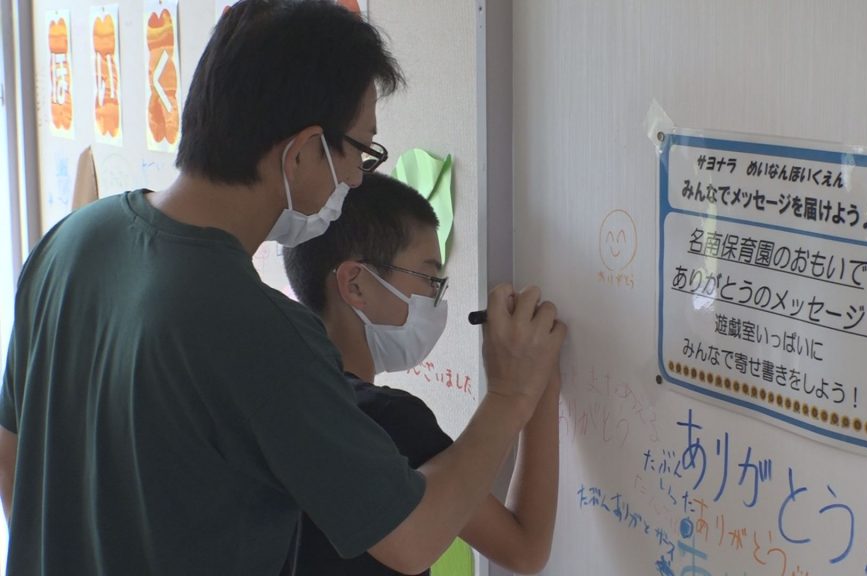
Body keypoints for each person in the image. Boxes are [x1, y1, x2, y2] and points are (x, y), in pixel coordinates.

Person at [0, 1, 565, 575]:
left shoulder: (71, 242)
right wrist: (510, 395)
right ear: (303, 151)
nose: (355, 179)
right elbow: (412, 539)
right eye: (360, 152)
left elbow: (9, 453)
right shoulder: (255, 327)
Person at [283, 174, 559, 575]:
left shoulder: (282, 395)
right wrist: (527, 387)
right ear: (355, 285)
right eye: (430, 279)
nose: (436, 299)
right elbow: (524, 550)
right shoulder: (387, 422)